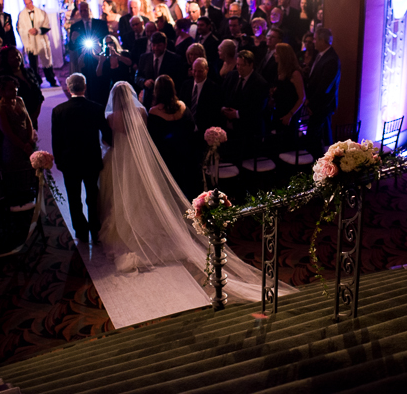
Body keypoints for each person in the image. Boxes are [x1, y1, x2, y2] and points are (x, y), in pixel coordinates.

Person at [97, 81, 284, 307]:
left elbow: (111, 139)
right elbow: (144, 136)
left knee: (122, 197)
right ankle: (149, 228)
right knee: (143, 196)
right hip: (140, 162)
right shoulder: (141, 111)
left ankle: (127, 230)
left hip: (120, 161)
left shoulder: (111, 117)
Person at [52, 73, 112, 244]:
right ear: (85, 87)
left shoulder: (59, 111)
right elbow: (106, 134)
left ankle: (80, 229)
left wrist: (59, 160)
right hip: (91, 158)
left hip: (70, 160)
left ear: (68, 88)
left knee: (73, 197)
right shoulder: (96, 108)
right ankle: (94, 226)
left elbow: (56, 139)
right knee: (92, 195)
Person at [147, 75, 197, 198]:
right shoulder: (183, 107)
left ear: (157, 91)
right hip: (184, 156)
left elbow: (152, 139)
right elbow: (191, 128)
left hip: (165, 159)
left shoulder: (154, 113)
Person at [0, 75, 37, 199]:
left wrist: (30, 140)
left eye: (15, 88)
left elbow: (28, 121)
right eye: (11, 89)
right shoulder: (0, 108)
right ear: (1, 91)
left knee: (29, 177)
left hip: (27, 144)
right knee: (17, 181)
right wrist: (24, 146)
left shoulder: (19, 100)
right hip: (12, 148)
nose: (15, 91)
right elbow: (8, 132)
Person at [221, 50, 270, 155]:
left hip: (247, 130)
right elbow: (222, 94)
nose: (239, 67)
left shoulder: (260, 83)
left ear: (251, 65)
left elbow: (258, 109)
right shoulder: (231, 76)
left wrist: (237, 114)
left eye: (242, 65)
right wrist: (223, 108)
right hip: (229, 127)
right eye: (237, 64)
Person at [0, 45, 45, 129]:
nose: (17, 57)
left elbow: (38, 94)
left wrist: (34, 115)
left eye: (18, 54)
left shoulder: (28, 71)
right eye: (12, 56)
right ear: (6, 60)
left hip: (34, 114)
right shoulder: (3, 77)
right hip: (16, 119)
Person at [305, 27, 341, 160]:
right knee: (318, 138)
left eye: (315, 39)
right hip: (318, 104)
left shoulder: (331, 59)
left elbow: (324, 87)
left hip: (322, 106)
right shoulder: (321, 55)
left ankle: (322, 169)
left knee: (316, 140)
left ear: (322, 40)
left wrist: (311, 105)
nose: (313, 42)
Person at [136, 32, 187, 108]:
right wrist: (144, 82)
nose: (156, 48)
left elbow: (179, 80)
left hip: (167, 101)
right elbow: (137, 77)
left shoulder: (175, 59)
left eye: (159, 45)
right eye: (154, 45)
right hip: (148, 100)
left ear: (165, 45)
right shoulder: (144, 58)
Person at [17, 0, 58, 86]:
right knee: (33, 63)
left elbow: (47, 26)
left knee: (46, 60)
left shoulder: (42, 13)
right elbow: (20, 28)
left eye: (30, 3)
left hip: (41, 40)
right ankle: (36, 82)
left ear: (32, 1)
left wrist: (38, 30)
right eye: (27, 4)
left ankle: (51, 79)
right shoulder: (22, 15)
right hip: (30, 42)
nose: (29, 5)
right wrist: (28, 31)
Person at [179, 57, 223, 137]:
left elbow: (214, 113)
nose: (196, 74)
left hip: (204, 132)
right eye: (194, 71)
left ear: (207, 70)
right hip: (185, 130)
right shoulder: (186, 85)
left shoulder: (214, 89)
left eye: (200, 71)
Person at [271, 43, 306, 138]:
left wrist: (290, 114)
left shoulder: (294, 73)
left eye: (277, 53)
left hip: (289, 114)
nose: (275, 55)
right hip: (279, 111)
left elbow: (302, 97)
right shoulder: (280, 70)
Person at [94, 34, 133, 105]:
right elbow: (98, 74)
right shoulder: (103, 57)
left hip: (125, 85)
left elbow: (129, 63)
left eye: (110, 42)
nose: (109, 45)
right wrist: (101, 62)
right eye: (106, 43)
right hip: (110, 88)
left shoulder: (123, 53)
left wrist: (117, 55)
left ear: (115, 42)